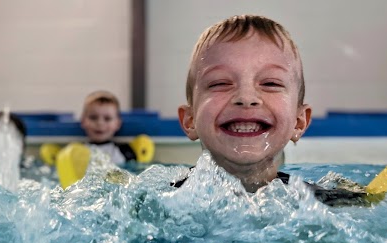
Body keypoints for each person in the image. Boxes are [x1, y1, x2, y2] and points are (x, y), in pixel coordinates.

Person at [173, 14, 368, 206]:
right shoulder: (163, 201)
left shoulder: (324, 203)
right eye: (220, 83)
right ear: (190, 120)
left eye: (270, 83)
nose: (246, 98)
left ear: (298, 122)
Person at [80, 90, 136, 164]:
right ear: (83, 121)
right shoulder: (78, 152)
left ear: (117, 124)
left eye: (107, 119)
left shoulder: (124, 152)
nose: (100, 123)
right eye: (93, 117)